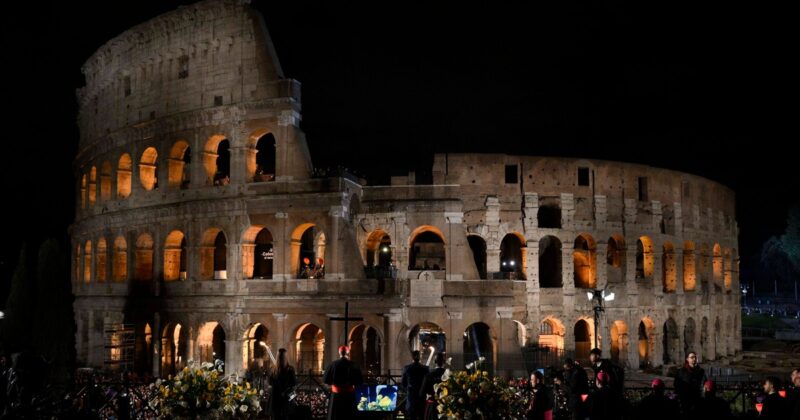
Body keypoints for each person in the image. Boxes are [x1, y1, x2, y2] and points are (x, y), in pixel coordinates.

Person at [323, 346, 363, 420]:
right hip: (349, 396)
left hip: (336, 396)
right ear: (348, 352)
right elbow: (359, 381)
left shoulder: (332, 364)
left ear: (339, 353)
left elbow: (326, 380)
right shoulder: (354, 364)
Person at [673, 351, 705, 415]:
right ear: (687, 359)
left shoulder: (701, 371)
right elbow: (676, 384)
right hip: (685, 400)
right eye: (692, 357)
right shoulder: (681, 371)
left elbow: (704, 384)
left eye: (695, 357)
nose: (694, 359)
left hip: (697, 400)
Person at [269, 348, 297, 420]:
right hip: (286, 398)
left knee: (276, 417)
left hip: (275, 399)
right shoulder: (290, 369)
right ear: (286, 357)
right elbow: (294, 384)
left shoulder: (273, 369)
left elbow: (270, 383)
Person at [401, 350, 430, 420]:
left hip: (411, 396)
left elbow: (403, 383)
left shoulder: (407, 368)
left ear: (412, 357)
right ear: (419, 357)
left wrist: (408, 390)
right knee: (421, 416)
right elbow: (427, 382)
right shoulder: (425, 369)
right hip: (421, 396)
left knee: (411, 416)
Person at [420, 352, 446, 420]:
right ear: (444, 361)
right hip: (446, 407)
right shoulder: (449, 375)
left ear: (434, 361)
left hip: (432, 406)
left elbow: (422, 393)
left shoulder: (428, 375)